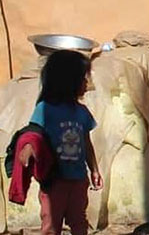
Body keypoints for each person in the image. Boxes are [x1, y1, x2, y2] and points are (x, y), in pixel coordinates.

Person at [30, 50, 102, 235]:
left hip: (78, 180)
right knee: (51, 225)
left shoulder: (82, 112)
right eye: (83, 79)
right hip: (54, 181)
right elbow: (33, 135)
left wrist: (94, 169)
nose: (87, 84)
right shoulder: (44, 110)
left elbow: (86, 143)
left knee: (79, 222)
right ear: (68, 81)